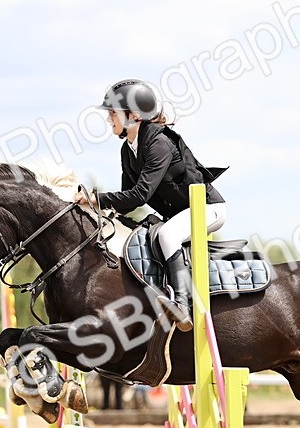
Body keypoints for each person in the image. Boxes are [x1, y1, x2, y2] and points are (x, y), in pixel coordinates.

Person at [84, 79, 228, 331]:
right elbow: (127, 200)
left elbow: (140, 195)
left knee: (167, 234)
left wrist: (99, 198)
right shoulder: (128, 150)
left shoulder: (159, 144)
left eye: (113, 112)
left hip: (207, 209)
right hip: (181, 213)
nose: (109, 118)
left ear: (134, 115)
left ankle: (182, 305)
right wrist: (94, 210)